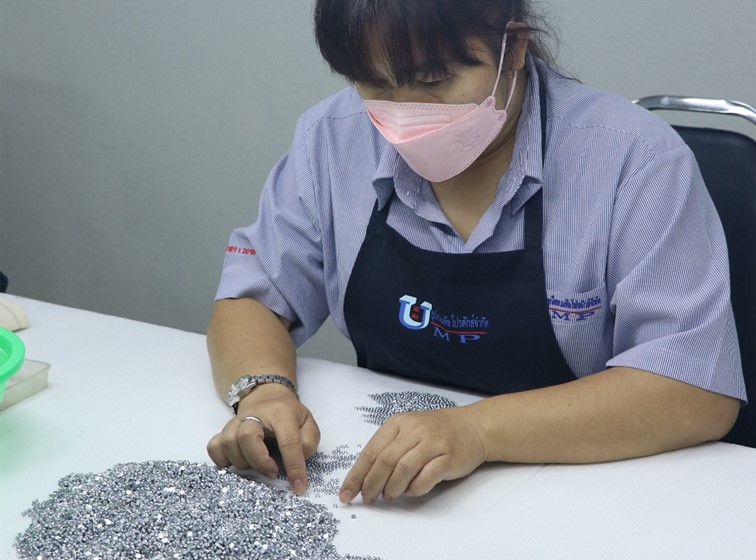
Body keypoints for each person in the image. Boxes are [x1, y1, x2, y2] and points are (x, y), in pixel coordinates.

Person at [207, 0, 746, 504]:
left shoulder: (634, 159)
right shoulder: (331, 138)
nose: (406, 114)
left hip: (589, 490)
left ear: (514, 49)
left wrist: (477, 431)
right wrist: (263, 391)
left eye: (434, 80)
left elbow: (693, 389)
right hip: (402, 496)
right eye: (375, 84)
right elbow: (253, 296)